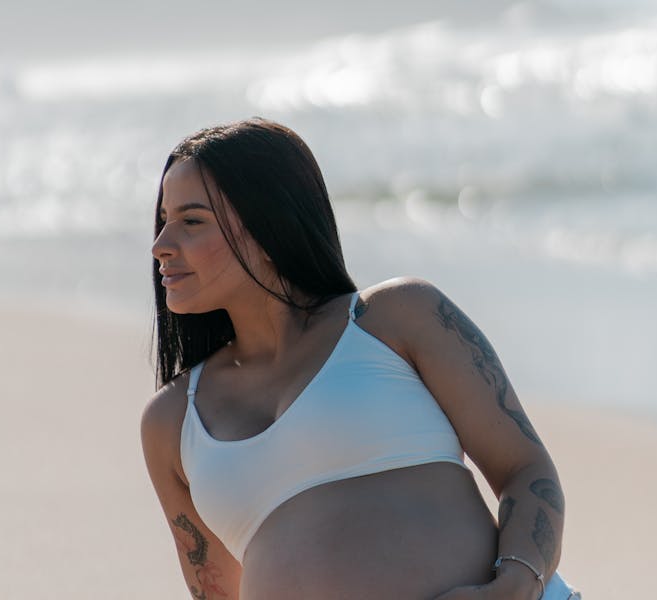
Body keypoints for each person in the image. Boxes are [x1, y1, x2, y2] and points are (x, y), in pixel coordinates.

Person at [141, 118, 580, 600]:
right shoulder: (172, 421)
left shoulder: (397, 317)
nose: (161, 245)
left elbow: (526, 470)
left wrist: (516, 586)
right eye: (164, 220)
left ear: (268, 225)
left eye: (192, 221)